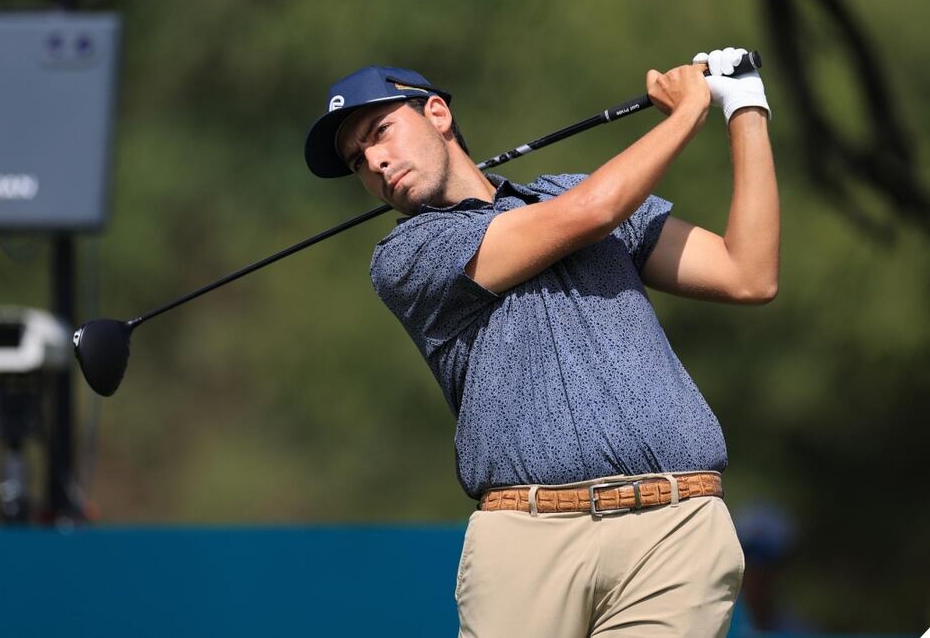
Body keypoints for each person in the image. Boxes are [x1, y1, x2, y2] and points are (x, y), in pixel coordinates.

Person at [304, 48, 778, 637]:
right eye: (356, 160)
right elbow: (594, 211)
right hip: (527, 541)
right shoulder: (406, 258)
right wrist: (685, 115)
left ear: (437, 114)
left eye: (381, 132)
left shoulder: (572, 194)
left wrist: (745, 108)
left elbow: (748, 273)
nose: (374, 160)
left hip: (675, 533)